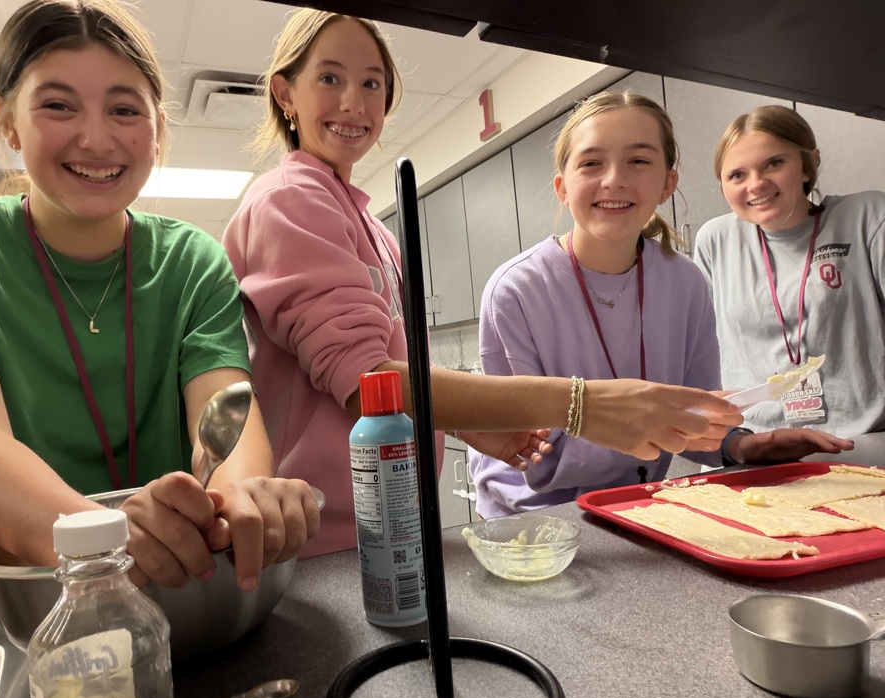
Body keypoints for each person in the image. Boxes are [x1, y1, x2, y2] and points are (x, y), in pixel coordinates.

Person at [222, 11, 745, 555]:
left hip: (386, 521)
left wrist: (470, 426)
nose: (354, 102)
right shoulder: (290, 200)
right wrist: (581, 404)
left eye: (372, 83)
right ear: (285, 93)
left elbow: (384, 372)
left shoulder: (369, 225)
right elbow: (366, 385)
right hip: (323, 531)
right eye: (330, 78)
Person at [0, 0, 319, 636]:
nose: (96, 138)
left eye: (124, 109)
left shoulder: (192, 260)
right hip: (11, 625)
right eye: (58, 105)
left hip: (177, 607)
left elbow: (226, 414)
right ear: (7, 122)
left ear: (157, 129)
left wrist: (242, 500)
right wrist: (108, 541)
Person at [467, 92, 850, 517]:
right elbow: (529, 455)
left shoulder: (685, 282)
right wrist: (656, 425)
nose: (614, 179)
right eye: (592, 163)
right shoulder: (516, 290)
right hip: (533, 522)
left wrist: (740, 444)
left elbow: (697, 410)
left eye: (638, 161)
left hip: (638, 509)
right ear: (562, 187)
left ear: (669, 182)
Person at [695, 105, 884, 465]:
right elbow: (698, 353)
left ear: (807, 165)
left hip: (860, 444)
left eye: (773, 164)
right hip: (754, 446)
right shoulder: (714, 240)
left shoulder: (869, 217)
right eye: (737, 175)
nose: (756, 184)